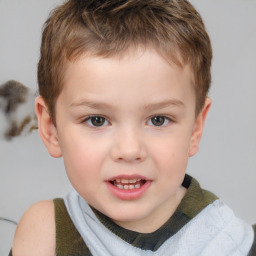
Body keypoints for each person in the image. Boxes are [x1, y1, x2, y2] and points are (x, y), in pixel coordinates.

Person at [10, 0, 255, 255]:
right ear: (51, 129)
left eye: (158, 120)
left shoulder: (230, 242)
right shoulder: (45, 234)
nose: (129, 150)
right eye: (97, 120)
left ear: (195, 128)